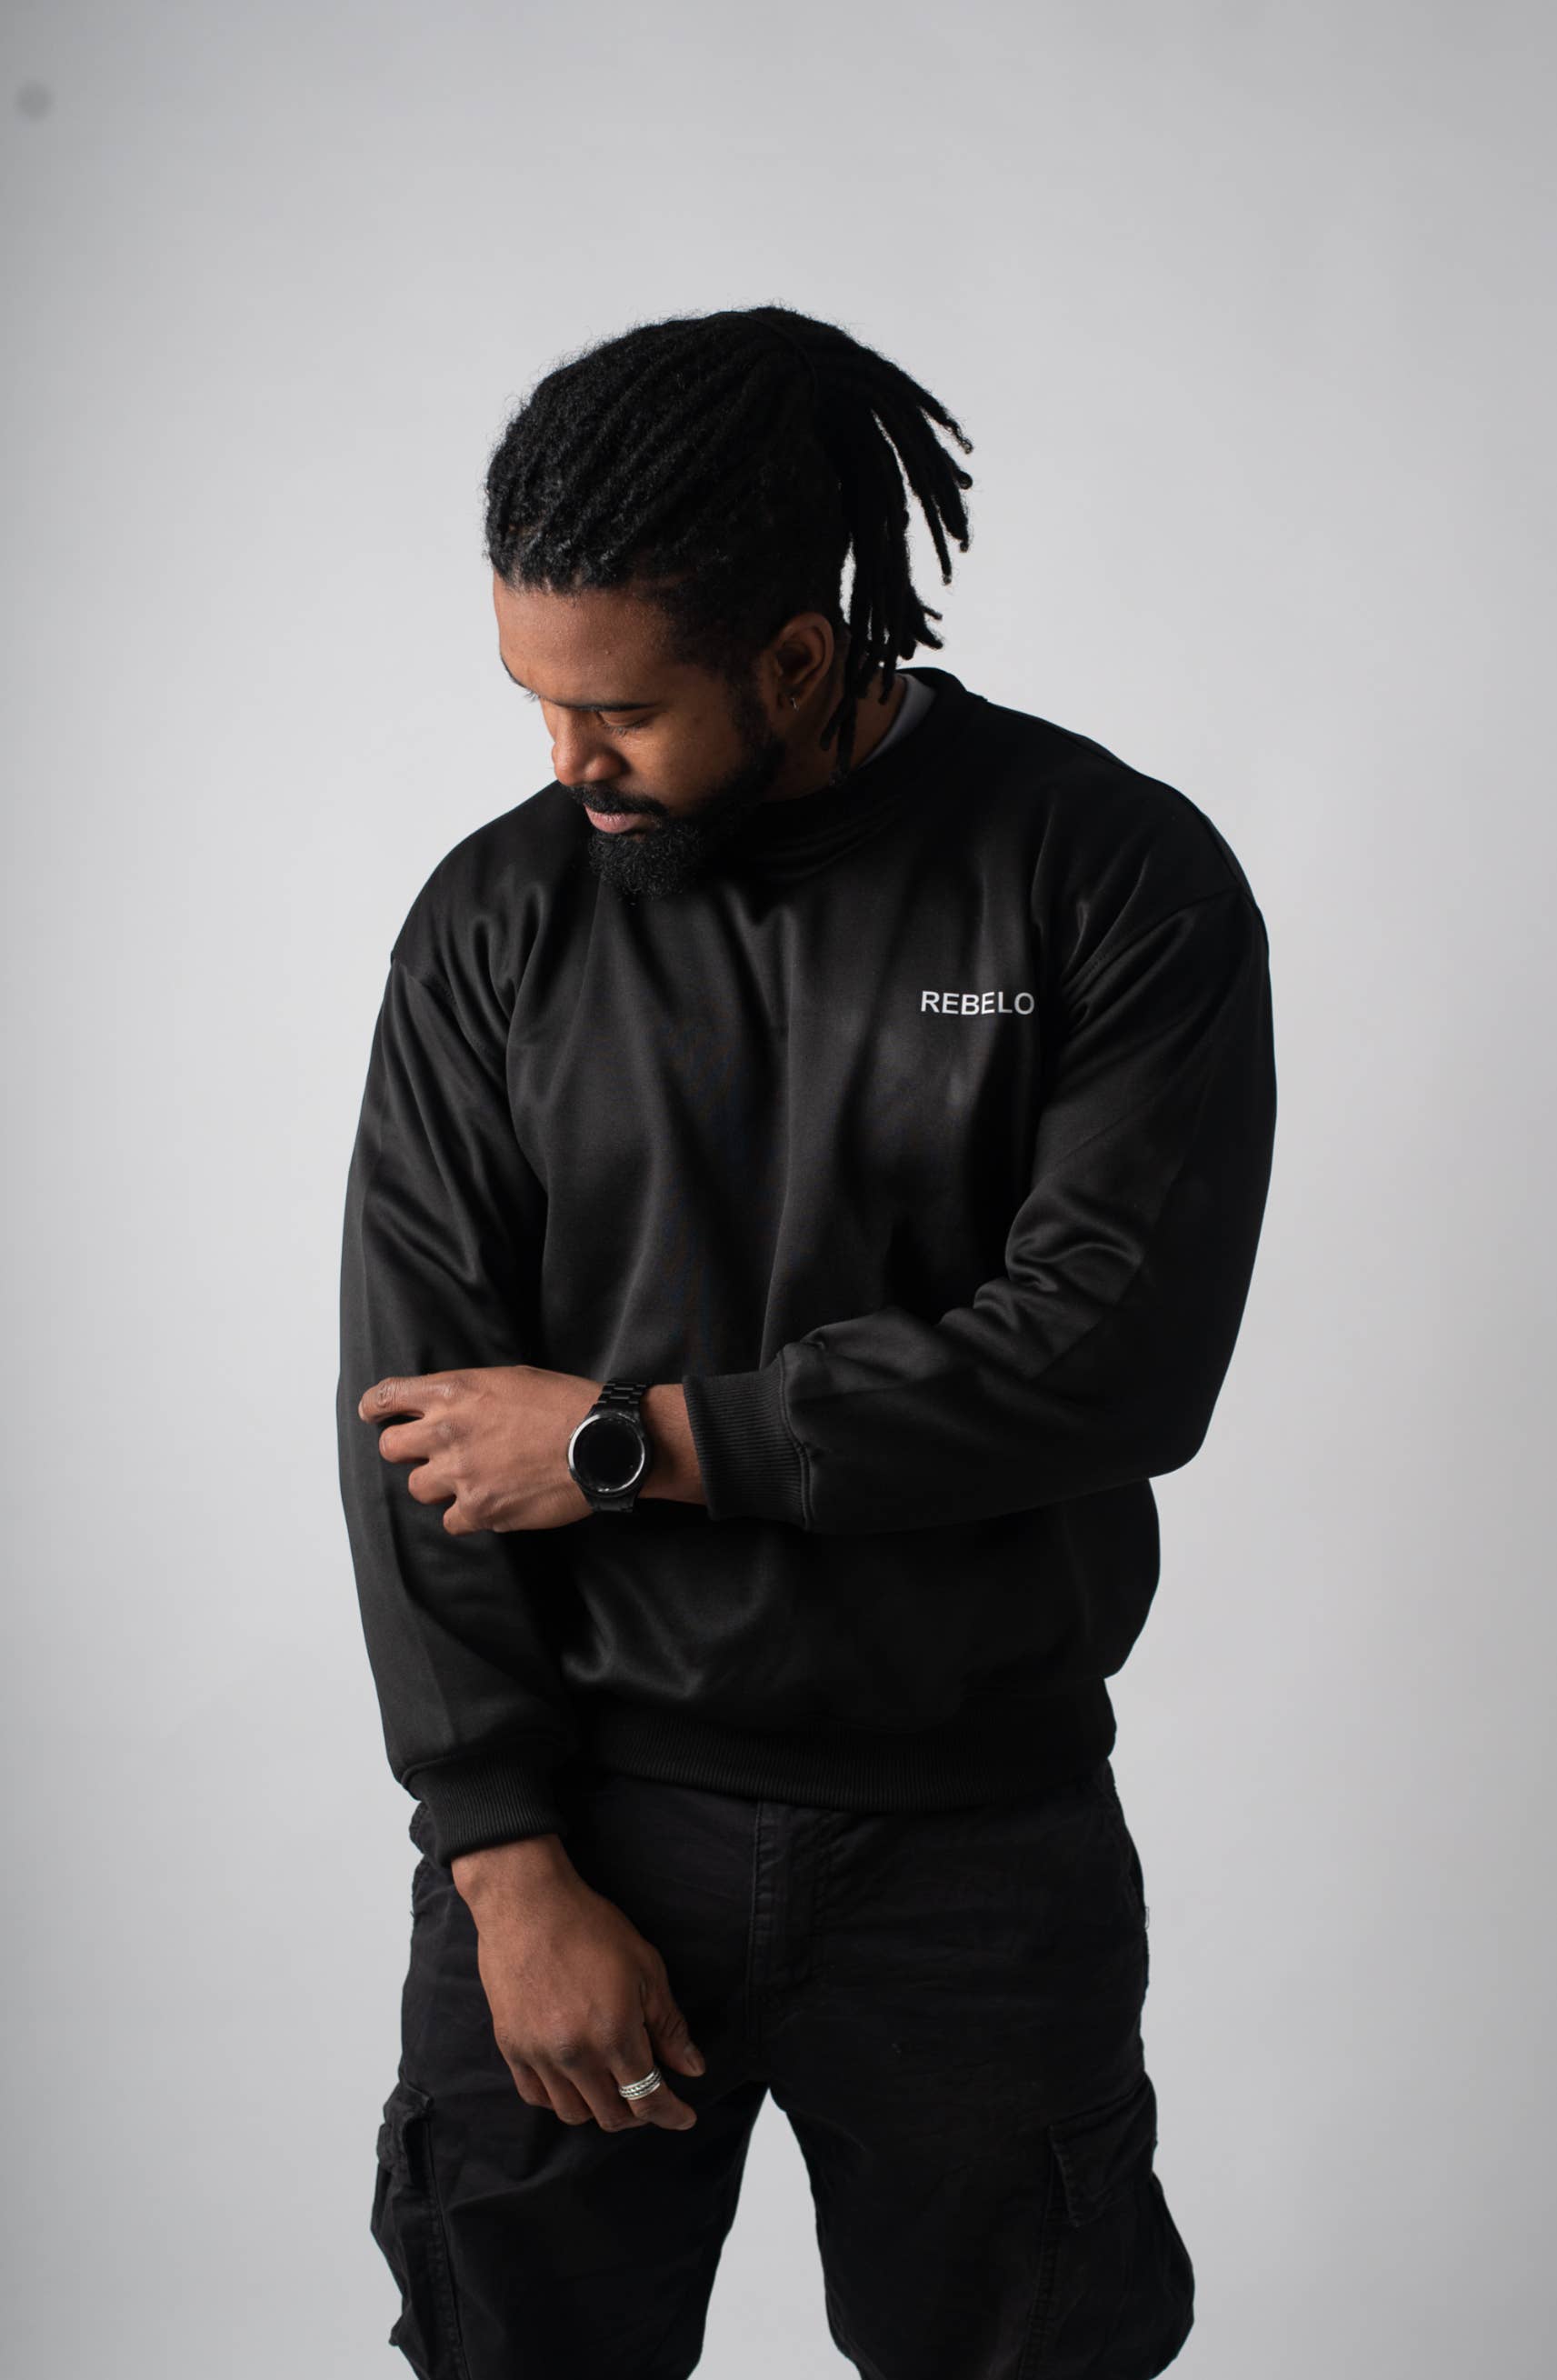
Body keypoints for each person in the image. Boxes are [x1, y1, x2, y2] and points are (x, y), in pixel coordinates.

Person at [335, 301, 1277, 2380]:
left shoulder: (1108, 878)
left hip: (975, 1854)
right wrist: (504, 1863)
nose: (564, 761)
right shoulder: (493, 923)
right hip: (585, 1835)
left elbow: (1107, 1359)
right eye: (532, 699)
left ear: (789, 659)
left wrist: (619, 1439)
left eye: (618, 710)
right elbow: (414, 1431)